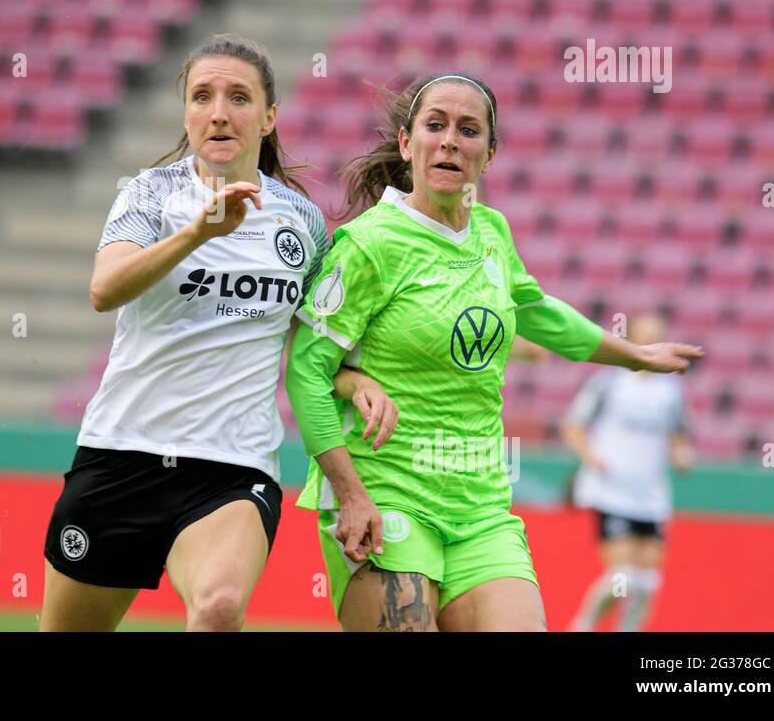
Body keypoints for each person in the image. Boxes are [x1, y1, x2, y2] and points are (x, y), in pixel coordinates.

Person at [285, 73, 704, 632]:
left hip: (480, 503)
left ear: (489, 154)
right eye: (434, 126)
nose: (450, 141)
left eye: (468, 130)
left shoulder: (490, 231)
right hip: (384, 493)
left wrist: (632, 354)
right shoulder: (369, 244)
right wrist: (349, 492)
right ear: (408, 144)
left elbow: (536, 311)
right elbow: (306, 369)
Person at [40, 33, 345, 632]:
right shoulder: (150, 193)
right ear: (186, 112)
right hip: (121, 452)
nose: (219, 112)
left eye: (239, 97)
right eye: (202, 96)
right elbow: (105, 289)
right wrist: (199, 232)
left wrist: (355, 378)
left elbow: (319, 340)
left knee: (219, 607)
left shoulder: (305, 222)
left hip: (232, 467)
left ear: (269, 116)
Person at [563, 311, 696, 632]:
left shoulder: (671, 391)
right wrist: (590, 457)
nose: (650, 341)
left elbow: (679, 435)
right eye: (644, 335)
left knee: (648, 583)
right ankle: (585, 624)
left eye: (656, 335)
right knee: (622, 578)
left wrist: (681, 455)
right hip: (613, 490)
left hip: (650, 494)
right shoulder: (609, 382)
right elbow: (572, 425)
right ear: (631, 339)